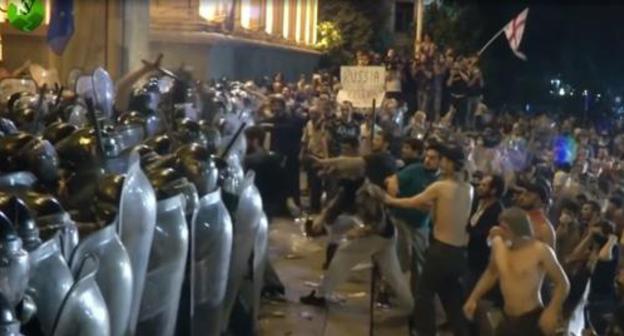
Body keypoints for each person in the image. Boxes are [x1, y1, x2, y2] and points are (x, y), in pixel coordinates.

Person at [380, 142, 473, 336]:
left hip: (441, 250)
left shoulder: (441, 186)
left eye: (443, 160)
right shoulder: (468, 188)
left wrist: (390, 200)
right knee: (451, 298)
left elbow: (413, 202)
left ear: (448, 163)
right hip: (459, 253)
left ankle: (425, 332)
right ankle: (462, 332)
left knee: (424, 294)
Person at [300, 181, 414, 315]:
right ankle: (413, 308)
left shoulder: (363, 194)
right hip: (387, 235)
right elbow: (337, 206)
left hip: (378, 235)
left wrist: (360, 232)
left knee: (343, 255)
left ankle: (321, 294)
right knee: (393, 275)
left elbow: (378, 223)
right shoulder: (355, 188)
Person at [463, 207, 570, 336]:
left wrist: (552, 310)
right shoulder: (499, 246)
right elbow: (491, 273)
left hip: (530, 316)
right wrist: (473, 298)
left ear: (518, 230)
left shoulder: (540, 251)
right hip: (507, 315)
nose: (500, 232)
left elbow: (563, 283)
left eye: (505, 229)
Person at [466, 174, 505, 292]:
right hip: (468, 255)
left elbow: (482, 235)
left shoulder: (497, 211)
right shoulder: (478, 202)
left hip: (479, 261)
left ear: (493, 190)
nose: (479, 187)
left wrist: (467, 228)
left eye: (484, 185)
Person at [514, 177, 556, 249]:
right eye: (523, 194)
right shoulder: (516, 218)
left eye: (528, 195)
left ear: (539, 201)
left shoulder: (544, 229)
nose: (522, 197)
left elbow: (548, 258)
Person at [300, 107, 328, 213]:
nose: (312, 116)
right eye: (311, 114)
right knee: (311, 182)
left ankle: (317, 206)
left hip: (320, 156)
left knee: (318, 182)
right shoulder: (309, 124)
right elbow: (305, 139)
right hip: (310, 155)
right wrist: (302, 153)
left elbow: (325, 142)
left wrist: (326, 159)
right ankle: (312, 204)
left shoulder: (324, 125)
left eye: (315, 114)